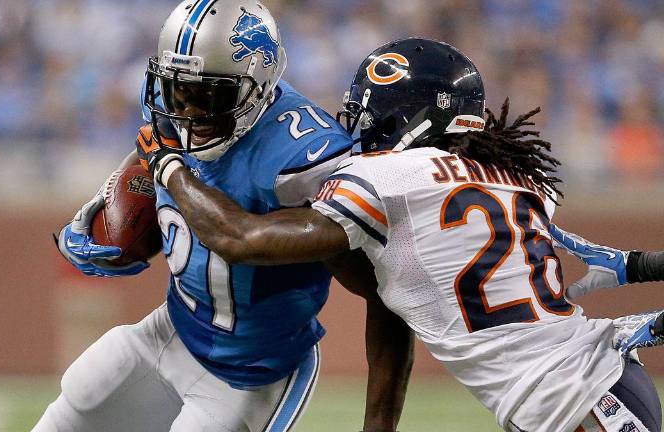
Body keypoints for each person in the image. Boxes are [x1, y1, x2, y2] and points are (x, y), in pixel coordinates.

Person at [147, 38, 664, 432]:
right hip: (595, 389)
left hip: (578, 405)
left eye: (369, 112)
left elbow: (241, 240)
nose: (357, 126)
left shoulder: (388, 180)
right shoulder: (517, 181)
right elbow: (392, 299)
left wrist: (166, 164)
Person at [36, 1, 412, 431]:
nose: (187, 113)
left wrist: (379, 424)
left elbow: (384, 292)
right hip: (172, 331)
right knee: (85, 388)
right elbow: (154, 164)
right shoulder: (174, 114)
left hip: (254, 374)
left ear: (258, 86)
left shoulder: (302, 158)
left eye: (207, 96)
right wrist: (112, 214)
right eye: (179, 92)